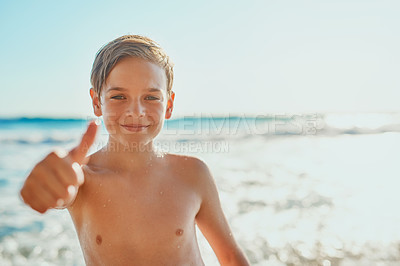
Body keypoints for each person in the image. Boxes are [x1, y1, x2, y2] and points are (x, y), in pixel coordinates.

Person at [19, 35, 250, 265]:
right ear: (97, 102)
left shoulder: (193, 174)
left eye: (151, 97)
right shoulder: (82, 180)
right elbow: (62, 193)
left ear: (168, 105)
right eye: (119, 96)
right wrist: (47, 185)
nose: (136, 111)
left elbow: (230, 256)